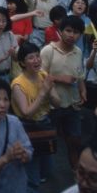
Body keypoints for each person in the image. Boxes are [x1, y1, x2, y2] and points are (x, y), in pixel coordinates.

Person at [11, 42, 61, 193]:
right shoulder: (18, 84)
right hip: (27, 128)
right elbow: (26, 113)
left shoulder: (43, 75)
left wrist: (50, 89)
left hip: (45, 124)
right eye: (30, 57)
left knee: (46, 168)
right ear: (23, 63)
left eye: (37, 56)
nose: (36, 60)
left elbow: (57, 102)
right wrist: (43, 92)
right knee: (32, 176)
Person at [40, 15, 87, 169]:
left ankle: (76, 171)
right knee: (48, 141)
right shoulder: (48, 50)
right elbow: (39, 76)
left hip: (72, 104)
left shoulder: (78, 52)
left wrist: (82, 91)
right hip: (51, 105)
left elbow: (79, 76)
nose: (71, 35)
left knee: (75, 141)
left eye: (76, 32)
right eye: (68, 30)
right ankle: (44, 171)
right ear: (60, 31)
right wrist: (61, 78)